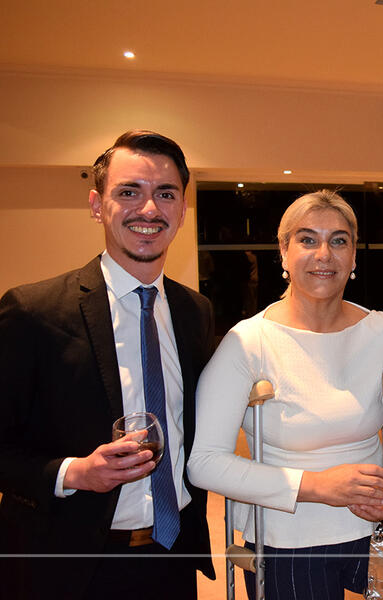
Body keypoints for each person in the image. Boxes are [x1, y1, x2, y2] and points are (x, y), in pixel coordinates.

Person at [0, 130, 215, 600]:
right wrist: (73, 472)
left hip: (171, 557)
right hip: (68, 565)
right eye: (129, 192)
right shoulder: (33, 311)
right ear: (97, 205)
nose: (149, 209)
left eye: (165, 194)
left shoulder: (196, 312)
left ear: (181, 209)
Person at [187, 190, 383, 600]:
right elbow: (205, 464)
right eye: (307, 239)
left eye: (339, 240)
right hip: (287, 536)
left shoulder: (382, 331)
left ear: (353, 257)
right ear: (283, 253)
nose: (325, 254)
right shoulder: (247, 342)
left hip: (375, 527)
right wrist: (319, 486)